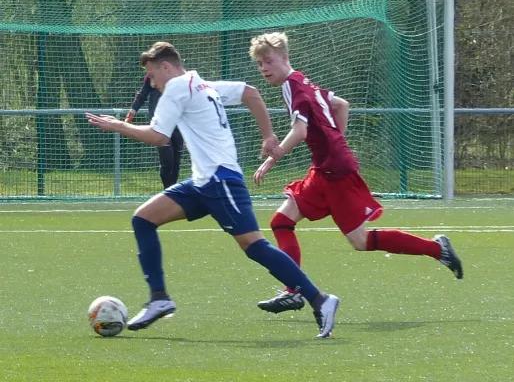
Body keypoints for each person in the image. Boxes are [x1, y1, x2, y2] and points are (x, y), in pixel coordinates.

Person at [85, 41, 340, 339]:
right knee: (143, 218)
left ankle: (320, 299)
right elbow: (251, 93)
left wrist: (119, 126)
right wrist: (268, 136)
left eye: (152, 76)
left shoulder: (178, 87)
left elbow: (158, 137)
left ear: (166, 67)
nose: (152, 84)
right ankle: (159, 298)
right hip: (204, 182)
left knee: (255, 246)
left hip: (221, 181)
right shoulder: (202, 83)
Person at [248, 32, 464, 314]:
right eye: (259, 64)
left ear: (285, 58)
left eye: (268, 61)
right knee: (281, 221)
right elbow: (341, 105)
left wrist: (272, 159)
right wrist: (336, 141)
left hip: (334, 172)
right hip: (326, 168)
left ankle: (438, 250)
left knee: (359, 241)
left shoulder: (293, 86)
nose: (264, 68)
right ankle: (294, 291)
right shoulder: (304, 81)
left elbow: (299, 131)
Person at [125, 74, 184, 189]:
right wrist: (131, 113)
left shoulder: (179, 77)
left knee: (176, 161)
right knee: (167, 160)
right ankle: (168, 192)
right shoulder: (151, 76)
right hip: (160, 123)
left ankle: (173, 191)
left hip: (177, 122)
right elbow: (141, 95)